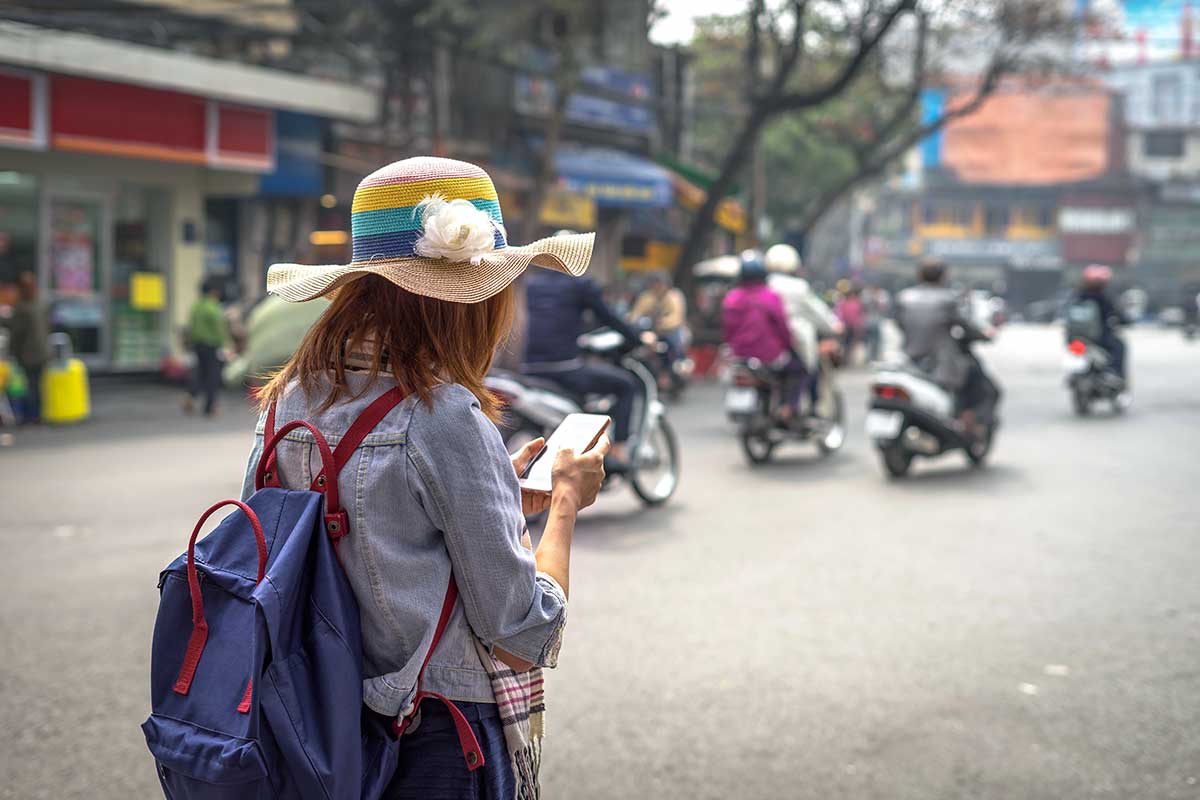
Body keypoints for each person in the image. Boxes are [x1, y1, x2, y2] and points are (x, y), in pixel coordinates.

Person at [249, 157, 607, 798]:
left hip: (307, 724)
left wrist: (498, 489)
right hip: (428, 738)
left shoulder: (290, 398)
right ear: (467, 301)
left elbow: (331, 545)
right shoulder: (444, 416)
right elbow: (521, 631)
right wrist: (566, 506)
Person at [523, 236, 644, 466]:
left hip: (529, 368)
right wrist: (635, 337)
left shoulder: (532, 285)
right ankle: (617, 450)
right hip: (565, 368)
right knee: (626, 385)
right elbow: (608, 316)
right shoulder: (579, 285)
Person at [896, 258, 999, 430]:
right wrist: (985, 334)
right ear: (943, 276)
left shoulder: (904, 298)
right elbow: (966, 327)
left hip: (910, 358)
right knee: (987, 389)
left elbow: (899, 324)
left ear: (920, 275)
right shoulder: (947, 300)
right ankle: (969, 420)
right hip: (941, 363)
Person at [722, 249, 807, 419]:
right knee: (799, 369)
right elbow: (783, 328)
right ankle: (787, 407)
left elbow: (728, 330)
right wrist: (789, 344)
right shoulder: (770, 297)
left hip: (740, 355)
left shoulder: (732, 298)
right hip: (769, 356)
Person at [763, 243, 842, 412]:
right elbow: (818, 312)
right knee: (808, 368)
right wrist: (834, 325)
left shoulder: (764, 285)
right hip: (795, 340)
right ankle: (804, 408)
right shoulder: (798, 287)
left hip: (769, 342)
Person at [1069, 263, 1128, 380]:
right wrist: (1126, 321)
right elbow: (1118, 315)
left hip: (1075, 337)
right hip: (1101, 338)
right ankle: (1113, 372)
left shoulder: (1076, 296)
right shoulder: (1104, 297)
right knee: (1119, 346)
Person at [181, 276, 229, 416]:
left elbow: (191, 327)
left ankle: (191, 395)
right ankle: (210, 407)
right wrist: (226, 345)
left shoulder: (196, 306)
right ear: (214, 291)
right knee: (212, 376)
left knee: (200, 372)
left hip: (197, 344)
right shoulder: (213, 307)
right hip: (212, 345)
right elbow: (220, 329)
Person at [628, 271, 689, 381]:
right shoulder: (647, 297)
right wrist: (632, 322)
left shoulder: (674, 296)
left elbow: (676, 316)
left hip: (671, 330)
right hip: (652, 331)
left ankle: (679, 364)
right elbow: (636, 314)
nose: (657, 286)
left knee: (674, 343)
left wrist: (662, 322)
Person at [8, 271, 49, 424]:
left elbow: (17, 333)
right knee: (36, 385)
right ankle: (37, 414)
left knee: (28, 386)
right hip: (43, 351)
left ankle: (30, 416)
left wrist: (13, 352)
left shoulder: (21, 308)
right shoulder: (40, 303)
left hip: (28, 353)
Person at [836, 286, 866, 364]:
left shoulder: (857, 303)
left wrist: (859, 326)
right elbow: (840, 315)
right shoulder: (843, 303)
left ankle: (848, 359)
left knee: (851, 343)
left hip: (853, 327)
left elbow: (860, 316)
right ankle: (844, 358)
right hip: (845, 326)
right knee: (844, 343)